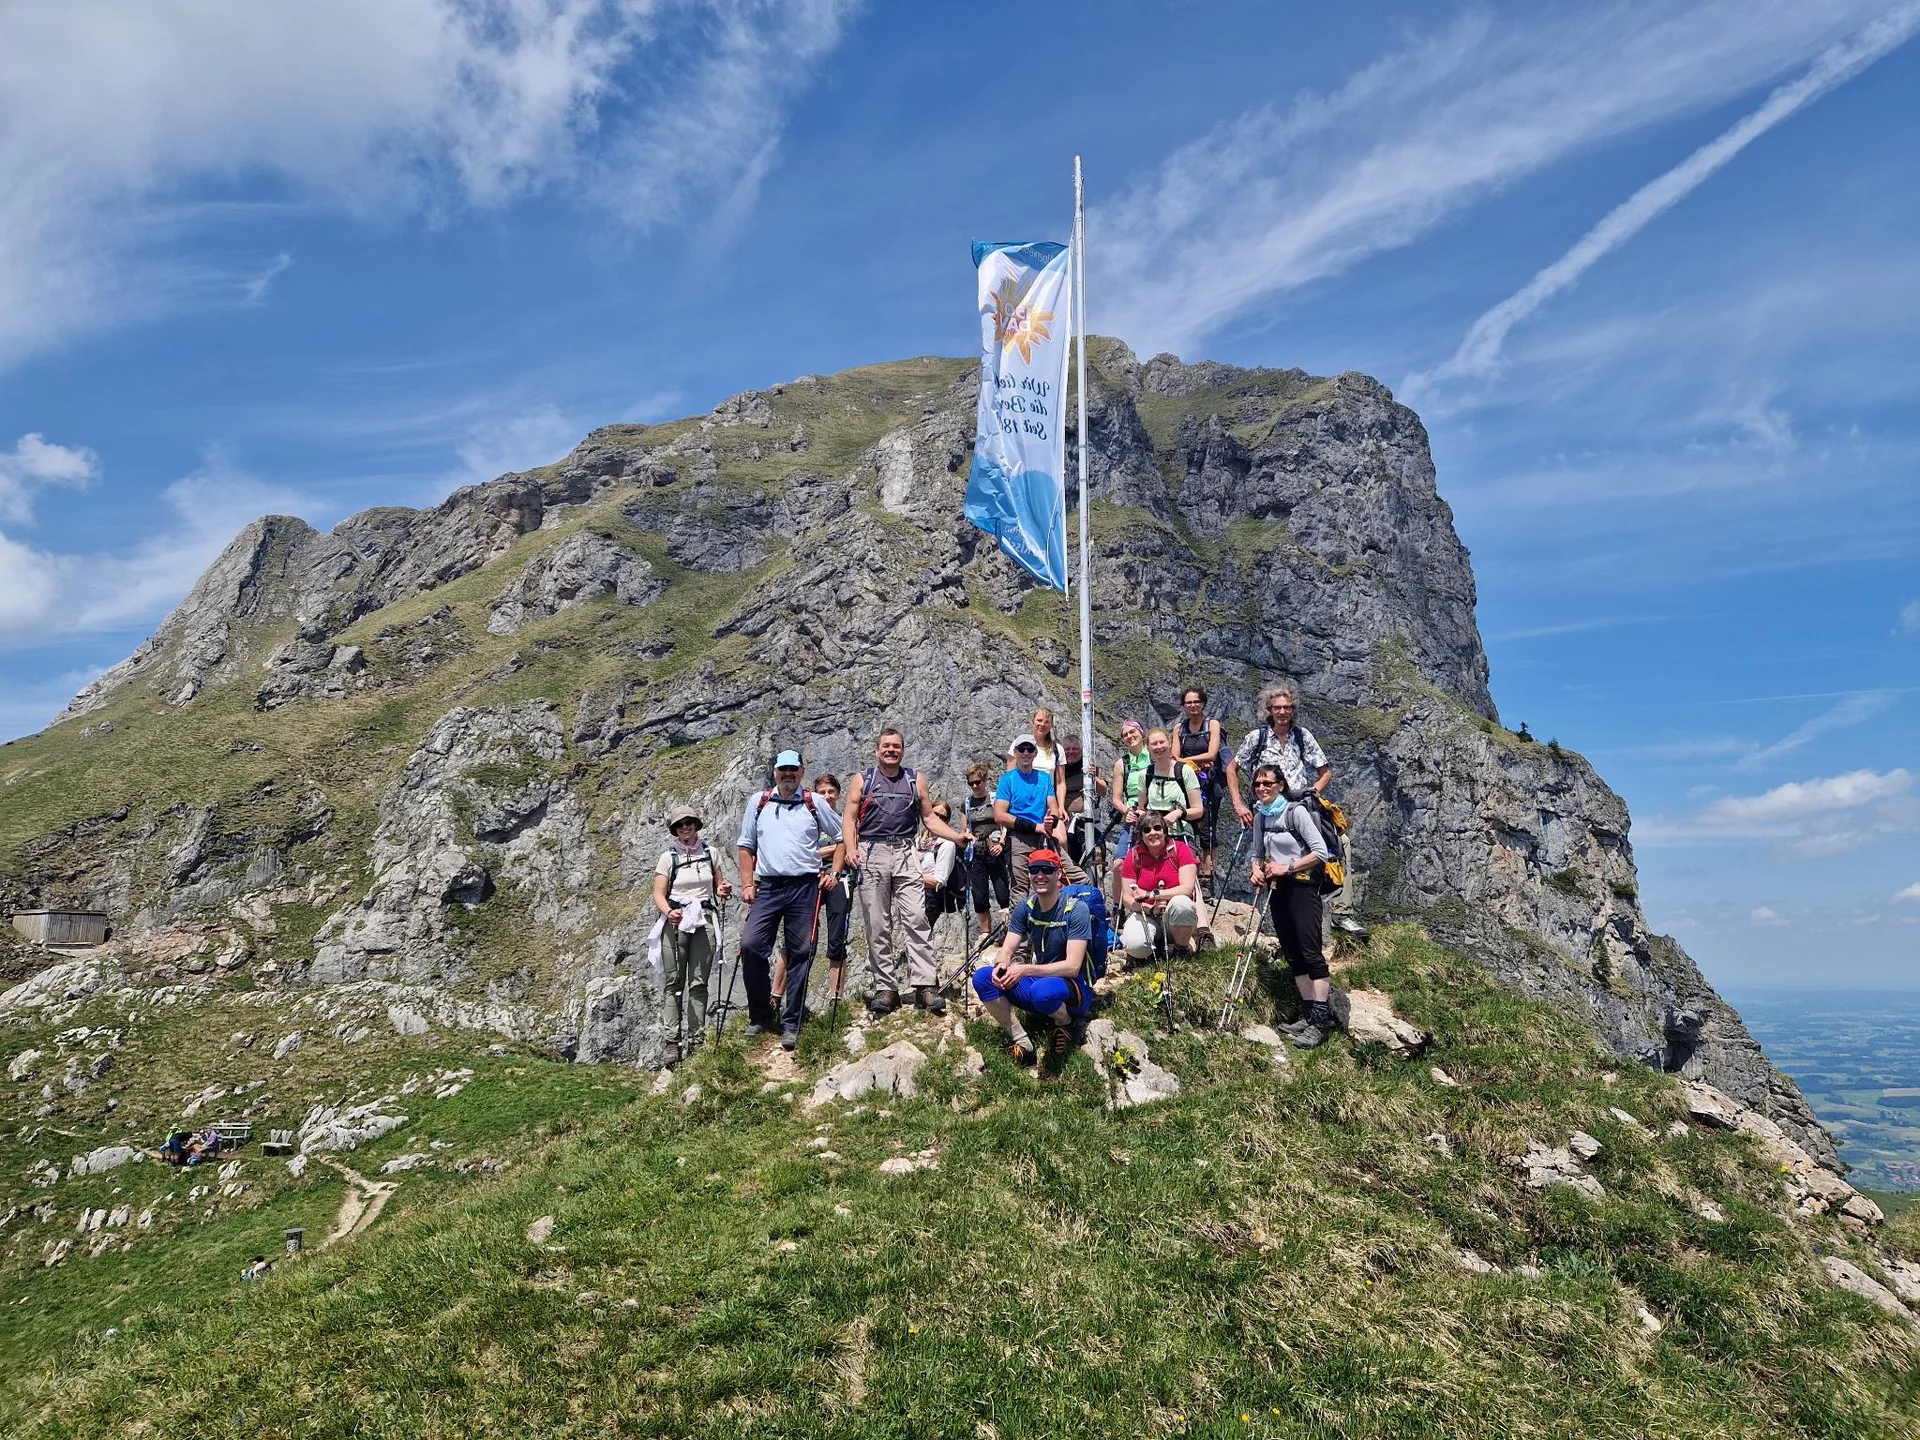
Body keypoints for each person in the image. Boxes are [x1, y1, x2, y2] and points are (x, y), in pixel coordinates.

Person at [841, 728, 970, 1016]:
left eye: (896, 746)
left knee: (916, 918)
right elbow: (848, 819)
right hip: (871, 852)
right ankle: (886, 989)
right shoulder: (863, 780)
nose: (891, 750)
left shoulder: (915, 779)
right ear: (877, 750)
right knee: (877, 923)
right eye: (886, 746)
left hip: (905, 851)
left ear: (903, 750)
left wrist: (955, 837)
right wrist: (851, 849)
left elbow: (928, 818)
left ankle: (925, 986)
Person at [736, 750, 844, 1049]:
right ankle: (760, 1015)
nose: (788, 775)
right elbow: (745, 845)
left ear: (801, 771)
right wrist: (747, 884)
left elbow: (841, 838)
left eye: (793, 770)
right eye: (783, 770)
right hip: (768, 887)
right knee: (751, 946)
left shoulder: (815, 802)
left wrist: (834, 872)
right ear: (775, 772)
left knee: (801, 952)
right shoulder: (758, 802)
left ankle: (791, 1022)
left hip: (805, 887)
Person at [971, 848, 1096, 1064]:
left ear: (1058, 874)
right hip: (1043, 982)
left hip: (1074, 988)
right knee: (983, 978)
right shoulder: (1025, 907)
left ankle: (1065, 1024)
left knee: (1041, 991)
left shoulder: (1076, 910)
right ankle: (1023, 1043)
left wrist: (1025, 970)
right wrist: (1002, 966)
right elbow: (1008, 949)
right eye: (1034, 870)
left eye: (1046, 870)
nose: (1039, 875)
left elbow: (1072, 967)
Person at [1248, 763, 1337, 1049]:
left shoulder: (1295, 812)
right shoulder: (1261, 816)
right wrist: (1256, 870)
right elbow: (1257, 852)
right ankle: (1309, 1013)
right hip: (1279, 887)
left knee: (1310, 950)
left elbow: (1320, 852)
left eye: (1267, 783)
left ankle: (1321, 1020)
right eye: (1257, 784)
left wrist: (1286, 867)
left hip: (1303, 886)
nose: (1262, 788)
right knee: (1292, 951)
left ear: (1281, 786)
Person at [651, 804, 733, 1066]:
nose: (685, 827)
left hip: (703, 920)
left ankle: (697, 1041)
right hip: (675, 921)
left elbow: (719, 886)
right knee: (674, 983)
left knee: (698, 983)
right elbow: (658, 893)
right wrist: (668, 912)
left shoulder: (711, 854)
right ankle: (672, 1042)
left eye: (689, 822)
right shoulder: (668, 857)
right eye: (680, 824)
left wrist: (723, 889)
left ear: (696, 824)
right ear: (675, 829)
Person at [1226, 681, 1331, 824]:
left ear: (1293, 711)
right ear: (1270, 710)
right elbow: (1231, 769)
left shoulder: (1302, 736)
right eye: (1277, 708)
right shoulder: (1257, 738)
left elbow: (1325, 773)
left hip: (1298, 809)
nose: (1282, 712)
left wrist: (1311, 794)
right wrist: (1238, 805)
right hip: (1266, 811)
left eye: (1287, 707)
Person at [996, 731, 1085, 898]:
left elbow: (1054, 807)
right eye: (1021, 749)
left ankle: (1073, 914)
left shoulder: (1044, 778)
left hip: (1045, 834)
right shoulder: (1007, 780)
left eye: (1029, 749)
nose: (1025, 753)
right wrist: (1034, 826)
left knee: (1079, 879)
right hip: (1020, 838)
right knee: (1020, 890)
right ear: (1015, 752)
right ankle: (1019, 924)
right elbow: (1000, 815)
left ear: (1035, 753)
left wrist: (1052, 820)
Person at [1117, 814, 1204, 961]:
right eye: (1147, 830)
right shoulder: (1133, 856)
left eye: (1157, 828)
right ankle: (1154, 947)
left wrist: (1153, 895)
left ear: (1164, 831)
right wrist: (1150, 908)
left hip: (1174, 914)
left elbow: (1187, 889)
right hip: (1147, 913)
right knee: (1134, 946)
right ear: (1141, 835)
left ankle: (1181, 949)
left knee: (1182, 903)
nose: (1153, 833)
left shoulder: (1181, 849)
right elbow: (1126, 898)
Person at [1176, 686, 1226, 883]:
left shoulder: (1212, 725)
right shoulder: (1179, 729)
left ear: (1203, 703)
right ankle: (1190, 874)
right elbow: (1174, 757)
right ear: (1184, 706)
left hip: (1209, 784)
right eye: (1189, 702)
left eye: (1196, 701)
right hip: (1186, 784)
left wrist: (1187, 761)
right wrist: (1197, 762)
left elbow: (1212, 754)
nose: (1193, 705)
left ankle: (1207, 875)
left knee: (1208, 829)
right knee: (1187, 826)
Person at [811, 773, 852, 1006]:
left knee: (837, 937)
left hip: (840, 879)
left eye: (830, 792)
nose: (826, 796)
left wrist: (818, 852)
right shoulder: (808, 820)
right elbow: (841, 845)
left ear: (837, 794)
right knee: (801, 935)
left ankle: (836, 995)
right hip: (812, 879)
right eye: (822, 792)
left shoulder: (846, 818)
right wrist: (836, 847)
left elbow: (848, 847)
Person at [960, 762, 1010, 939]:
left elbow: (1004, 823)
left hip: (995, 849)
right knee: (979, 895)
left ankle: (1008, 932)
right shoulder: (966, 803)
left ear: (985, 780)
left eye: (978, 782)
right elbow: (965, 829)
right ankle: (985, 935)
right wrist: (968, 838)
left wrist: (1001, 843)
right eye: (971, 783)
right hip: (976, 852)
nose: (975, 786)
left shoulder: (996, 798)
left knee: (1002, 891)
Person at [1138, 729, 1204, 848]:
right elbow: (1142, 809)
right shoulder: (1145, 775)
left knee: (1187, 866)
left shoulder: (1185, 771)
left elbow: (1199, 810)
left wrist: (1179, 813)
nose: (1159, 747)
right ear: (1148, 748)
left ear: (1169, 743)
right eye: (1154, 744)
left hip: (1181, 834)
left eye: (1162, 742)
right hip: (1153, 837)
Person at [1008, 706, 1067, 813]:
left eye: (1047, 722)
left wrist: (1061, 806)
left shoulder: (1058, 749)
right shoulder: (1018, 745)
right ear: (1032, 721)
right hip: (1021, 804)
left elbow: (1060, 783)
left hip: (1047, 804)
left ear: (1051, 725)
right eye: (1039, 720)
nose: (1042, 725)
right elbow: (1010, 776)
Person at [916, 800, 960, 926]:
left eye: (943, 817)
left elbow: (939, 881)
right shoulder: (918, 841)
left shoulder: (947, 844)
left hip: (931, 899)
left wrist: (911, 877)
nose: (939, 819)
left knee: (921, 940)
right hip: (911, 896)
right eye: (935, 814)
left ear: (947, 822)